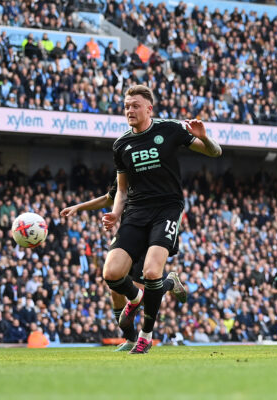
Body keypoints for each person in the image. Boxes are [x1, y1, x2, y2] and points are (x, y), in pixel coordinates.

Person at [101, 84, 221, 354]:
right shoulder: (121, 145)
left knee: (151, 272)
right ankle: (155, 289)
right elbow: (121, 189)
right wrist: (115, 213)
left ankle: (146, 334)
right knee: (111, 273)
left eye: (135, 105)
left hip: (167, 208)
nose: (129, 110)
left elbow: (215, 153)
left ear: (149, 108)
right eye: (126, 106)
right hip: (135, 212)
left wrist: (205, 136)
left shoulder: (170, 129)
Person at [61, 179, 187, 351]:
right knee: (115, 289)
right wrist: (78, 207)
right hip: (131, 233)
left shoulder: (157, 172)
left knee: (141, 296)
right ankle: (130, 339)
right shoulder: (127, 167)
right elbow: (109, 197)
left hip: (152, 236)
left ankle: (170, 282)